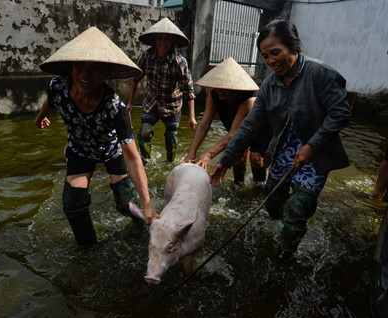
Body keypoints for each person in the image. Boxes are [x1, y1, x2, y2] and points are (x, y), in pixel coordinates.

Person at [209, 20, 352, 261]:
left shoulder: (320, 74)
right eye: (265, 56)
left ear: (293, 47)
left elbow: (341, 113)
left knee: (297, 210)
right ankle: (289, 221)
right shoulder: (269, 85)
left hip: (315, 156)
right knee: (273, 204)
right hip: (284, 153)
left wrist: (312, 146)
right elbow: (250, 126)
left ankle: (286, 256)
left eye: (275, 52)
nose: (270, 60)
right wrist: (226, 159)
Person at [34, 27, 159, 247]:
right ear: (71, 66)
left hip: (110, 151)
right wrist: (40, 118)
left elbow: (132, 157)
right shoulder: (58, 86)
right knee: (73, 203)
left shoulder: (115, 108)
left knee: (125, 203)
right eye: (80, 65)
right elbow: (50, 102)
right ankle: (88, 248)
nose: (85, 74)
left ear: (105, 73)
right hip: (80, 149)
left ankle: (145, 228)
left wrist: (148, 204)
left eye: (95, 68)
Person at [182, 57, 271, 184]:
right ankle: (238, 185)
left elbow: (233, 135)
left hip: (260, 128)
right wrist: (192, 152)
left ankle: (259, 187)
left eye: (224, 87)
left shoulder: (250, 99)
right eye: (217, 86)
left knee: (255, 158)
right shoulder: (213, 94)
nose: (219, 90)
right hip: (236, 127)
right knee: (238, 157)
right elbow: (204, 124)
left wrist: (209, 154)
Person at [127, 17, 197, 163]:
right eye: (160, 38)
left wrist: (192, 116)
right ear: (155, 40)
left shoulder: (179, 62)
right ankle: (146, 162)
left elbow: (188, 90)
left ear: (172, 42)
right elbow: (135, 79)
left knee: (171, 138)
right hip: (151, 102)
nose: (163, 43)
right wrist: (130, 103)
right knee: (145, 132)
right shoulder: (145, 56)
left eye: (167, 39)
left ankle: (170, 163)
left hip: (172, 105)